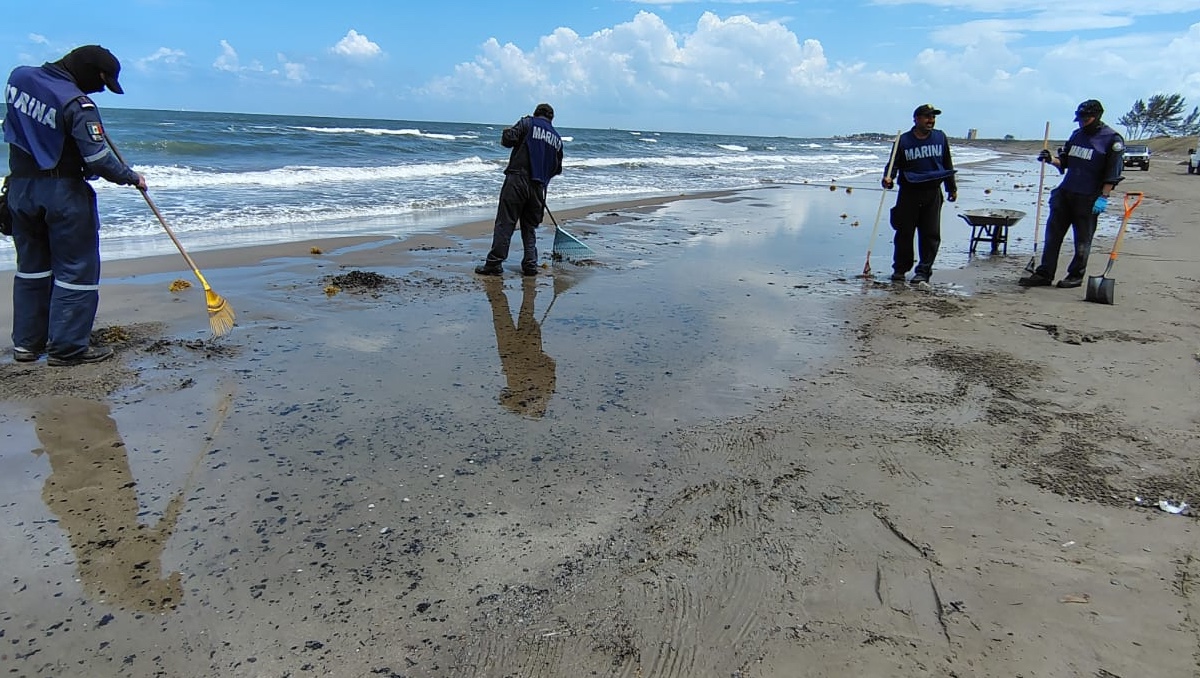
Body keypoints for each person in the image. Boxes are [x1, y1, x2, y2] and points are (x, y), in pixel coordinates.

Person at [4, 45, 146, 366]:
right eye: (102, 83)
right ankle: (67, 348)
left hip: (20, 189)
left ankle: (27, 345)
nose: (100, 91)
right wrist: (132, 177)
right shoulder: (79, 104)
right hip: (62, 193)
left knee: (32, 270)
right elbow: (98, 161)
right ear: (91, 73)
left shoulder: (18, 78)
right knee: (76, 271)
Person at [1019, 99, 1124, 288]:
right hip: (1065, 192)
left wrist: (1104, 197)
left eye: (1087, 119)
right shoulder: (1077, 135)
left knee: (1082, 239)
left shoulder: (1112, 140)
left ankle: (1075, 275)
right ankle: (1045, 273)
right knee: (1053, 235)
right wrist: (1050, 159)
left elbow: (1112, 173)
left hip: (1089, 196)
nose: (1083, 122)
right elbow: (1065, 161)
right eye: (1081, 118)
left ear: (1097, 117)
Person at [475, 103, 563, 277]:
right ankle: (530, 265)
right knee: (529, 227)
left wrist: (506, 131)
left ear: (536, 113)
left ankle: (494, 263)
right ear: (551, 118)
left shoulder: (527, 123)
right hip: (538, 188)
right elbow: (556, 169)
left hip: (517, 180)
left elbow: (508, 141)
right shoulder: (557, 139)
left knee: (505, 223)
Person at [882, 103, 958, 287]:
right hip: (909, 192)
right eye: (927, 117)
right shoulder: (903, 140)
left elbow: (947, 162)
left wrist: (951, 188)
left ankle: (923, 272)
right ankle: (900, 269)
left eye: (933, 117)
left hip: (932, 192)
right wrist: (888, 178)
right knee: (904, 233)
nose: (931, 120)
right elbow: (893, 164)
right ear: (916, 119)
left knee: (930, 234)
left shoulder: (940, 137)